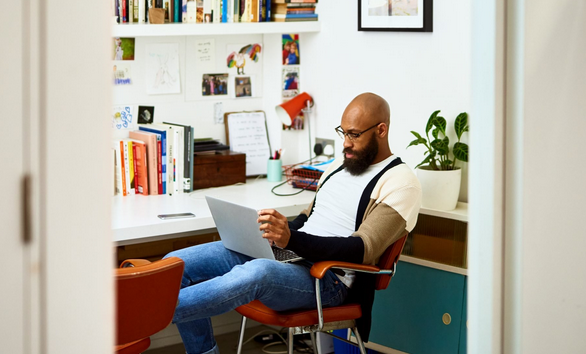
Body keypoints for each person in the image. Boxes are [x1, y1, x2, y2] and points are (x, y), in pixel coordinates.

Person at [165, 93, 422, 354]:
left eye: (354, 135)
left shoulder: (400, 182)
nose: (345, 143)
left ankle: (143, 316)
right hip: (291, 256)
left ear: (381, 130)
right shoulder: (338, 166)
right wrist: (276, 231)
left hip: (328, 280)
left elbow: (363, 248)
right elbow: (308, 217)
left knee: (257, 273)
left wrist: (292, 239)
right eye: (343, 133)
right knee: (175, 264)